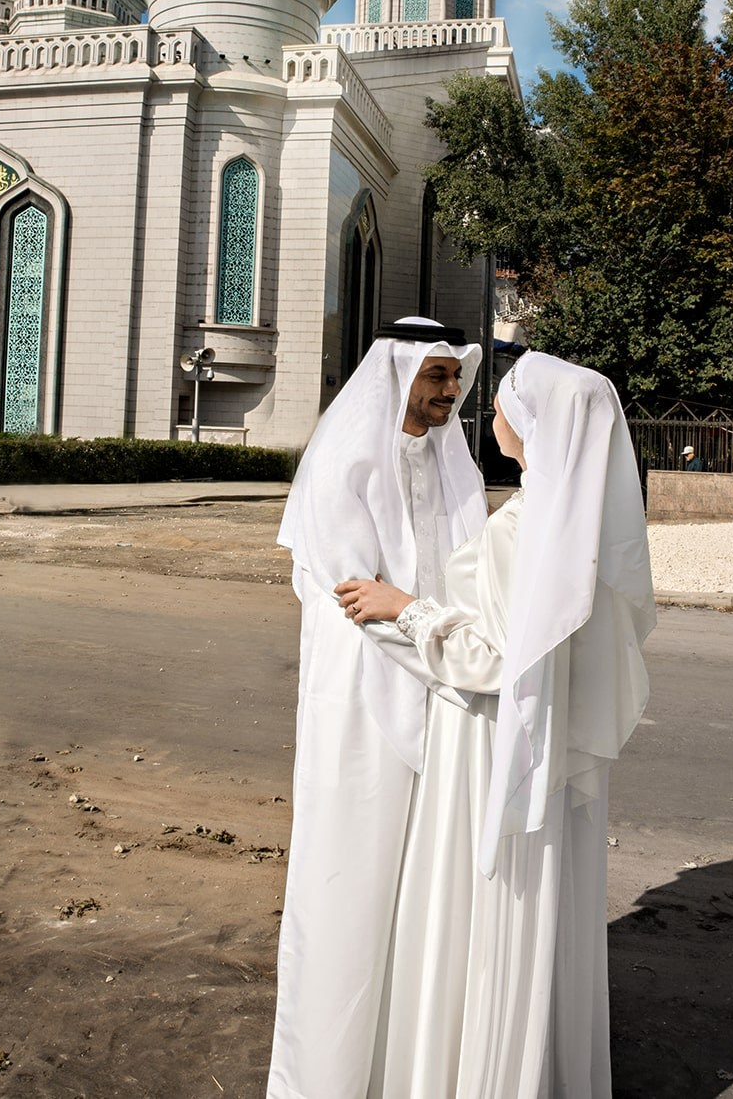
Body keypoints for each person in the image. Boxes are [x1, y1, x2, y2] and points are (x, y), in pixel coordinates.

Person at [337, 351, 656, 1098]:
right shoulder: (584, 526)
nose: (494, 413)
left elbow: (499, 662)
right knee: (535, 914)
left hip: (488, 742)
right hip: (542, 743)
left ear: (534, 422)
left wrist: (403, 607)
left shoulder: (527, 527)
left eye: (507, 402)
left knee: (482, 920)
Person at [266, 317, 488, 1099]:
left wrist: (456, 654)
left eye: (455, 377)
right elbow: (357, 599)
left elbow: (472, 582)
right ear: (396, 376)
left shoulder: (452, 459)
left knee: (427, 890)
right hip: (362, 700)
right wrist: (457, 656)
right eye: (436, 377)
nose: (449, 392)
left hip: (443, 693)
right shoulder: (344, 463)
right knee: (349, 884)